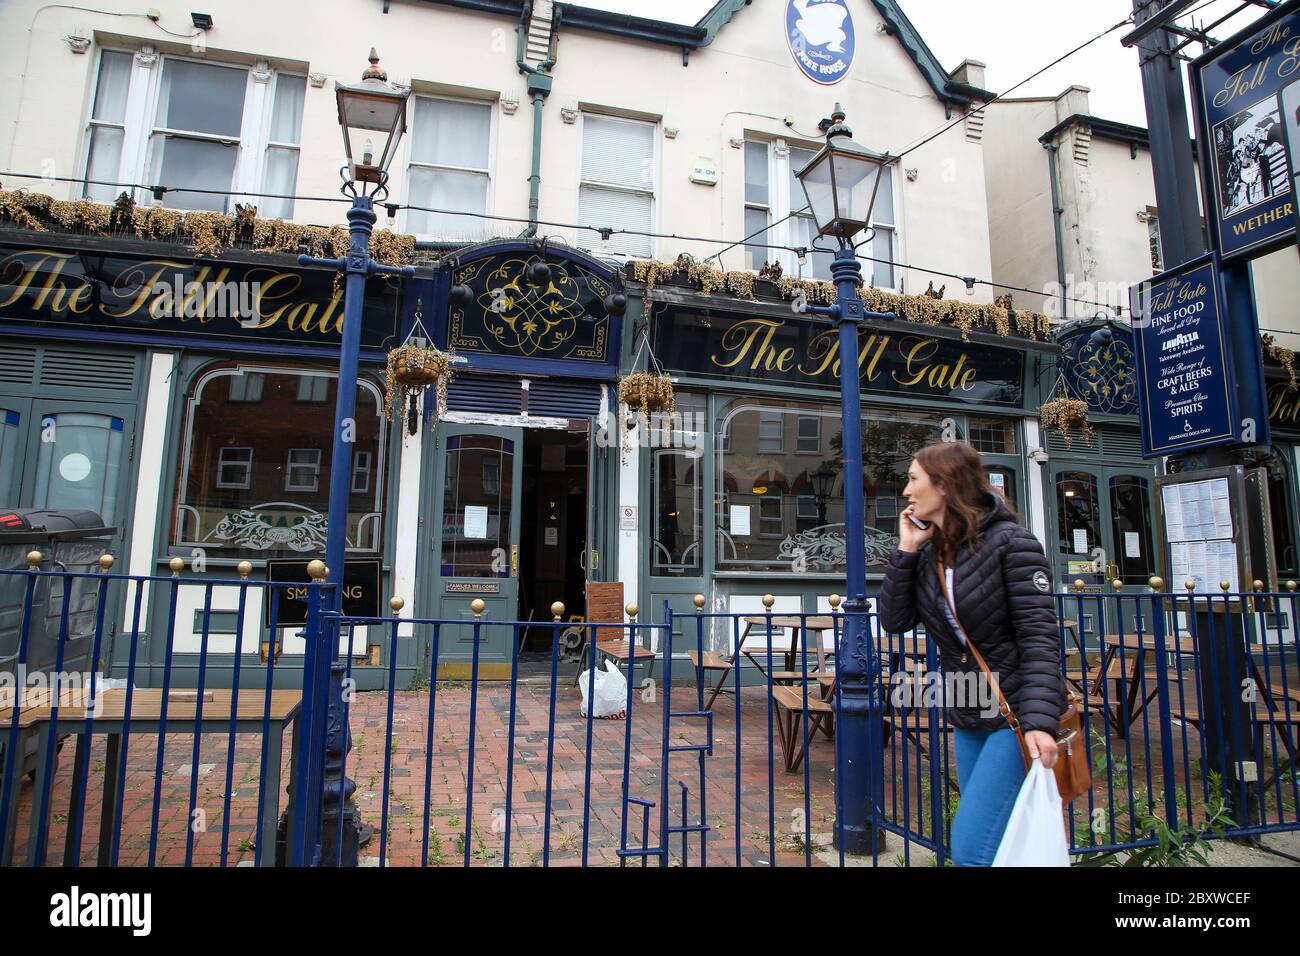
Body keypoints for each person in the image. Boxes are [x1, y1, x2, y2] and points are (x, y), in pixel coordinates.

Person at [879, 441, 1067, 866]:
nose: (906, 491)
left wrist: (1041, 721)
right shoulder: (932, 551)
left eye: (913, 480)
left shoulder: (1012, 544)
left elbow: (1039, 638)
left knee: (971, 847)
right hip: (968, 710)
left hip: (1014, 713)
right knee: (993, 843)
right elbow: (894, 620)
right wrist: (906, 551)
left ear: (943, 484)